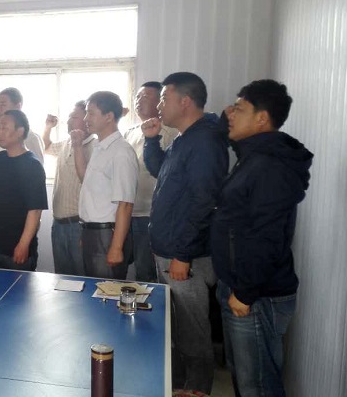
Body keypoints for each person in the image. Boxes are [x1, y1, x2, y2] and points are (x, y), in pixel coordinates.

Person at [212, 80, 312, 397]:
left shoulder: (269, 166)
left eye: (239, 109)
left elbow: (266, 236)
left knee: (257, 385)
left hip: (256, 295)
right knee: (246, 379)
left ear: (261, 119)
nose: (230, 114)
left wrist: (244, 292)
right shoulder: (254, 155)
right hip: (242, 286)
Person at [141, 72, 228, 393]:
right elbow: (161, 171)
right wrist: (152, 141)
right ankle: (178, 385)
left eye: (164, 98)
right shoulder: (184, 138)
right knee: (177, 326)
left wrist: (182, 254)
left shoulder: (205, 141)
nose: (159, 105)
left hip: (185, 256)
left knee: (193, 330)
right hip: (170, 251)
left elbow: (203, 203)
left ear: (185, 102)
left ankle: (197, 389)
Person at [0, 110, 48, 271]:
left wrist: (23, 245)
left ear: (20, 131)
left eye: (4, 128)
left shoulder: (32, 165)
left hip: (18, 246)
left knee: (19, 287)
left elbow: (35, 210)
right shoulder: (0, 158)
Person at [78, 91, 137, 279]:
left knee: (107, 291)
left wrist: (116, 247)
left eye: (91, 113)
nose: (86, 119)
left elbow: (125, 204)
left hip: (107, 236)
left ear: (109, 116)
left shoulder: (121, 152)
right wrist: (87, 233)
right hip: (94, 233)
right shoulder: (100, 148)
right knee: (95, 289)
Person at [123, 82, 178, 282]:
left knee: (147, 273)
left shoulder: (171, 133)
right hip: (127, 212)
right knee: (127, 267)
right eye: (137, 97)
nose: (139, 101)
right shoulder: (130, 132)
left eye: (145, 96)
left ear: (160, 101)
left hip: (150, 214)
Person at [42, 101, 95, 276]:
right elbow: (46, 147)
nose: (69, 121)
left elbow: (91, 183)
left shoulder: (95, 146)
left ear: (87, 120)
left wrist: (78, 145)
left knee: (82, 277)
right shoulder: (66, 143)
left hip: (79, 226)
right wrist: (48, 127)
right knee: (62, 278)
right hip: (58, 224)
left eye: (74, 117)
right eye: (69, 117)